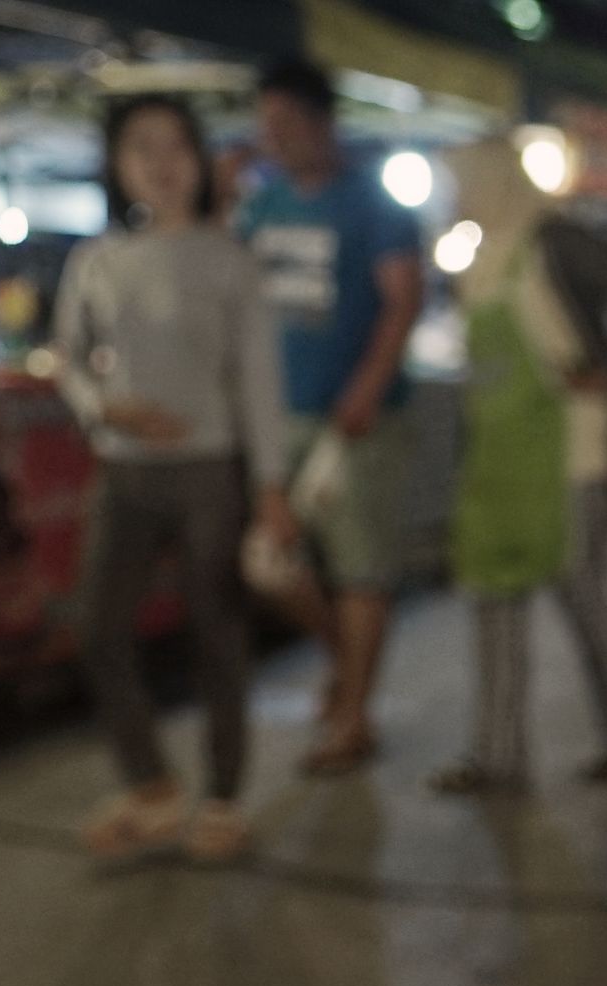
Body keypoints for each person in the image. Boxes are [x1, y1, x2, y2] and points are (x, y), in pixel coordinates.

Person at [52, 96, 295, 860]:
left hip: (208, 470)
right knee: (98, 628)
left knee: (217, 635)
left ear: (200, 158)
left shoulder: (230, 260)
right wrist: (105, 407)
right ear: (117, 165)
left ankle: (222, 795)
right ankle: (151, 786)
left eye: (175, 145)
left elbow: (258, 381)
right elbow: (66, 359)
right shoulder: (96, 261)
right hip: (122, 470)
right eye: (141, 147)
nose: (160, 163)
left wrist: (272, 489)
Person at [429, 139, 607, 792]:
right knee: (493, 599)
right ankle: (497, 756)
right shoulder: (477, 255)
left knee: (583, 596)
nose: (458, 197)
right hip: (498, 461)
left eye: (464, 182)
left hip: (570, 455)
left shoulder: (556, 239)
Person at [237, 57, 429, 775]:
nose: (275, 138)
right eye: (267, 125)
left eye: (286, 123)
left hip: (360, 421)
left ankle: (352, 717)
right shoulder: (261, 204)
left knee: (359, 570)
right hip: (280, 413)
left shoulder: (375, 204)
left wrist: (368, 388)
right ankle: (346, 667)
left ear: (323, 122)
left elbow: (404, 299)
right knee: (268, 561)